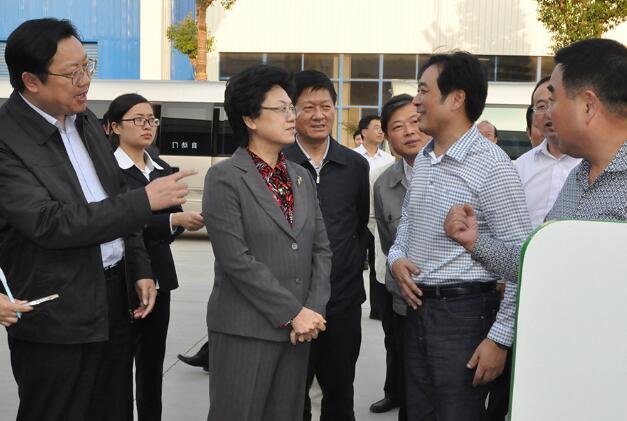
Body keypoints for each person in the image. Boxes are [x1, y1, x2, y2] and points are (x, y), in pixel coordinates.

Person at [0, 18, 192, 421]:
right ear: (31, 81)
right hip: (56, 313)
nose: (85, 80)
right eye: (73, 73)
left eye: (87, 66)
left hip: (114, 303)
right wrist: (145, 200)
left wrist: (139, 265)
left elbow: (114, 194)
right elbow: (50, 222)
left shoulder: (85, 120)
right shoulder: (6, 139)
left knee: (114, 408)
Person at [388, 51, 531, 421]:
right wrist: (396, 259)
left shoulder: (493, 166)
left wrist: (500, 338)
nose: (416, 101)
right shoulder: (424, 158)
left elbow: (522, 259)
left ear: (456, 99)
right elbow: (406, 225)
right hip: (418, 313)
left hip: (465, 318)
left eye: (424, 90)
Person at [445, 38, 627, 326]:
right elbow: (542, 263)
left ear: (588, 106)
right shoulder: (578, 178)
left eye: (553, 101)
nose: (545, 117)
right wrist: (475, 242)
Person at [202, 64, 332, 421]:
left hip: (299, 331)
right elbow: (236, 260)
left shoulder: (301, 176)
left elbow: (321, 249)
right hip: (245, 330)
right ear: (250, 119)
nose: (293, 117)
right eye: (281, 109)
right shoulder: (225, 178)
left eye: (292, 108)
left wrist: (312, 310)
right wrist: (293, 312)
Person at [107, 93, 205, 421]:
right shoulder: (108, 170)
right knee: (117, 365)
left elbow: (168, 224)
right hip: (120, 279)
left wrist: (178, 222)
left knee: (151, 366)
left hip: (159, 278)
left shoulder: (160, 168)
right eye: (138, 119)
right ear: (115, 126)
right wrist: (172, 220)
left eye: (151, 119)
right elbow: (117, 222)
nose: (147, 126)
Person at [283, 70, 370, 421]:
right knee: (291, 397)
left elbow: (357, 226)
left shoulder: (355, 165)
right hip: (292, 304)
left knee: (340, 395)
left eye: (326, 106)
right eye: (308, 108)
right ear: (292, 112)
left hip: (342, 302)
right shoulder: (279, 163)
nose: (319, 115)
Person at [372, 94, 431, 418]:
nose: (409, 131)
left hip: (452, 304)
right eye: (398, 127)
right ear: (388, 137)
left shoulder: (456, 172)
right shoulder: (383, 185)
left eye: (414, 121)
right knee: (409, 386)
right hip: (404, 302)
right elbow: (388, 242)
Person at [515, 77, 582, 229]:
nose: (549, 112)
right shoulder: (520, 166)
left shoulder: (592, 162)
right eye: (541, 106)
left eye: (555, 103)